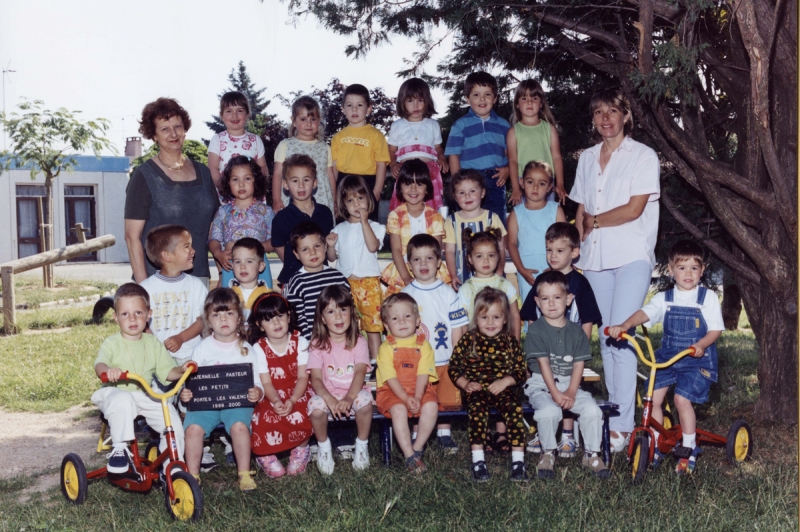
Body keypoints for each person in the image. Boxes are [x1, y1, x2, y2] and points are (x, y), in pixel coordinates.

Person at [570, 88, 661, 452]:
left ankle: (623, 425)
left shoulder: (643, 155)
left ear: (625, 116)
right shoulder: (587, 157)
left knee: (622, 338)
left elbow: (634, 209)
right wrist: (578, 243)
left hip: (631, 256)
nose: (605, 118)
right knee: (606, 340)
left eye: (612, 111)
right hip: (594, 259)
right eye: (598, 112)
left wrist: (595, 220)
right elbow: (580, 210)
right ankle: (615, 413)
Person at [608, 240, 723, 475]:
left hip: (695, 359)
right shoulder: (665, 298)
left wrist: (700, 345)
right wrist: (625, 325)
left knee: (681, 400)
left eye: (694, 268)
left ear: (702, 271)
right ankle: (658, 442)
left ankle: (689, 447)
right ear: (671, 271)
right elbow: (646, 312)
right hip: (669, 357)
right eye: (682, 268)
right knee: (654, 398)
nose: (688, 273)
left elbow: (715, 330)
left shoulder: (707, 297)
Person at [520, 222, 602, 457]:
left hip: (570, 353)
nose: (552, 256)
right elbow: (530, 317)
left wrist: (582, 353)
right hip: (544, 351)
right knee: (543, 393)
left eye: (559, 251)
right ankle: (543, 433)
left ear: (574, 252)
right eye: (549, 250)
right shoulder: (542, 282)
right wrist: (531, 351)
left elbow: (587, 319)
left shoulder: (581, 283)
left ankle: (567, 435)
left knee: (569, 390)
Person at [91, 283, 191, 474]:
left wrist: (181, 369)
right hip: (114, 394)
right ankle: (119, 448)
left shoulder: (153, 343)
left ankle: (173, 463)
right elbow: (99, 364)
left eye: (138, 312)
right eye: (125, 314)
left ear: (149, 314)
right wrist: (108, 370)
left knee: (169, 414)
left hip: (143, 394)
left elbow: (167, 372)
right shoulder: (112, 343)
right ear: (115, 317)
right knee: (123, 399)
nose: (132, 319)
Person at [524, 271, 611, 480]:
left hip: (571, 383)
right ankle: (548, 452)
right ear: (537, 301)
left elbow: (579, 364)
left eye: (557, 297)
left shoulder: (577, 332)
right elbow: (543, 364)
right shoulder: (535, 330)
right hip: (541, 384)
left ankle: (591, 454)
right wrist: (554, 392)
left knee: (591, 409)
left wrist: (572, 390)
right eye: (545, 299)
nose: (551, 304)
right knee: (548, 411)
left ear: (569, 299)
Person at [125, 98, 219, 285]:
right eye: (165, 129)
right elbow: (131, 237)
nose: (173, 133)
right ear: (154, 136)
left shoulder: (204, 172)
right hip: (157, 280)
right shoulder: (144, 176)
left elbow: (213, 230)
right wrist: (145, 287)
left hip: (198, 277)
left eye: (178, 126)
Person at [179, 288, 264, 491]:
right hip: (206, 405)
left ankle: (244, 473)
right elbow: (190, 379)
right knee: (192, 430)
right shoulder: (202, 348)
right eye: (216, 315)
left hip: (236, 403)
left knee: (240, 428)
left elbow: (258, 380)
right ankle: (192, 476)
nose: (223, 319)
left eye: (229, 313)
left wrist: (257, 392)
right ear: (208, 320)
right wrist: (186, 393)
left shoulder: (247, 349)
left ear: (239, 317)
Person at [448, 288, 528, 482]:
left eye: (496, 317)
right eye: (484, 317)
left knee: (514, 408)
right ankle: (478, 460)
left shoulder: (510, 341)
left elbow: (520, 370)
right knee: (477, 411)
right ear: (476, 319)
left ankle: (518, 461)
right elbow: (454, 368)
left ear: (505, 319)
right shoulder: (469, 339)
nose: (490, 323)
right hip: (477, 390)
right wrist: (465, 384)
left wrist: (506, 381)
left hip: (503, 389)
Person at [401, 234, 468, 453]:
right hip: (416, 362)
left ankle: (444, 434)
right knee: (418, 396)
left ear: (438, 262)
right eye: (417, 259)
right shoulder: (406, 295)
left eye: (429, 258)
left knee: (446, 398)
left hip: (444, 358)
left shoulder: (448, 293)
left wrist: (457, 355)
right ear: (409, 264)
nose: (423, 264)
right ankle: (416, 433)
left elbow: (458, 325)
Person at [307, 285, 374, 474]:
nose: (338, 316)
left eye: (343, 309)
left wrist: (348, 398)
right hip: (328, 395)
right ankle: (323, 446)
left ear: (351, 312)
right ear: (322, 318)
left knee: (366, 402)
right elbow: (317, 380)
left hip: (351, 394)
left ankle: (361, 445)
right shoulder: (317, 345)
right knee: (315, 407)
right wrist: (330, 400)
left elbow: (360, 373)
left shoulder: (358, 341)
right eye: (331, 311)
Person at [247, 293, 314, 477]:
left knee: (303, 412)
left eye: (280, 316)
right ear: (260, 325)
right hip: (271, 392)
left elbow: (302, 377)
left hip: (297, 390)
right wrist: (276, 400)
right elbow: (266, 381)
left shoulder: (300, 341)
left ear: (289, 316)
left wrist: (292, 400)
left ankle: (301, 450)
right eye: (268, 319)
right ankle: (265, 455)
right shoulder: (259, 348)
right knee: (263, 416)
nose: (276, 323)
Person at [375, 293, 439, 475]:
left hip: (420, 388)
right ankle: (409, 454)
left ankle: (416, 449)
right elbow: (390, 377)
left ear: (417, 321)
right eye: (395, 318)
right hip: (392, 390)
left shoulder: (423, 345)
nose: (402, 321)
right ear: (387, 326)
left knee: (431, 406)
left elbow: (423, 374)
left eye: (407, 316)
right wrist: (405, 398)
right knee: (399, 410)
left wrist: (418, 397)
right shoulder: (386, 347)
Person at [327, 175, 386, 362]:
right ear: (344, 205)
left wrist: (365, 222)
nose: (356, 204)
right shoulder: (339, 229)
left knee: (372, 325)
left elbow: (372, 247)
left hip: (368, 283)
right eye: (350, 200)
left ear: (369, 199)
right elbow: (331, 258)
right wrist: (330, 246)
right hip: (345, 283)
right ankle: (352, 361)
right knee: (349, 323)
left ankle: (376, 362)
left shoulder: (376, 227)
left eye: (360, 198)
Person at [444, 72, 512, 223]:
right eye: (476, 95)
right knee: (469, 219)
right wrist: (457, 183)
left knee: (496, 220)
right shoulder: (460, 125)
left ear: (495, 98)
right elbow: (454, 155)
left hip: (496, 180)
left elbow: (511, 154)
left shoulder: (504, 125)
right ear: (467, 98)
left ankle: (497, 246)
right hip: (469, 181)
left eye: (487, 94)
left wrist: (508, 170)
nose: (482, 99)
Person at [139, 224, 207, 366]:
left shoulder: (196, 286)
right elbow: (142, 324)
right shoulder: (145, 288)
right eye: (187, 246)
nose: (193, 251)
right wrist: (157, 348)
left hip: (191, 355)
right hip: (157, 358)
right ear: (167, 256)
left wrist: (181, 338)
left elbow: (202, 320)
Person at [381, 159, 450, 295]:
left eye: (419, 184)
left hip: (429, 270)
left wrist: (429, 277)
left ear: (427, 188)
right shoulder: (395, 216)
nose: (413, 189)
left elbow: (436, 250)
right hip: (403, 271)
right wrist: (406, 278)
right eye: (408, 184)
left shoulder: (435, 216)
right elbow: (396, 249)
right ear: (399, 187)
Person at [208, 155, 275, 290]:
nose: (241, 184)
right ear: (228, 183)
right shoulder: (223, 212)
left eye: (247, 178)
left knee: (260, 304)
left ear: (256, 181)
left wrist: (259, 247)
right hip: (231, 267)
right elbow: (213, 239)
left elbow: (274, 241)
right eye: (235, 179)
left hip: (258, 266)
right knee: (231, 306)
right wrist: (218, 253)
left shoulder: (265, 211)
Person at [270, 154, 336, 286]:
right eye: (295, 180)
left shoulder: (325, 213)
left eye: (306, 180)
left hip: (321, 277)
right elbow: (278, 245)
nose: (301, 185)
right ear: (285, 184)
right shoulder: (282, 218)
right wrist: (294, 263)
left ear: (315, 183)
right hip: (293, 278)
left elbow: (327, 247)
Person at [506, 161, 566, 303]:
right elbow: (512, 244)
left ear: (550, 187)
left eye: (542, 183)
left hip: (553, 267)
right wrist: (521, 269)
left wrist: (557, 268)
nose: (535, 187)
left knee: (554, 305)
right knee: (531, 308)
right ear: (521, 182)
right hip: (527, 269)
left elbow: (565, 242)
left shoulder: (556, 210)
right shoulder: (516, 213)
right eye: (530, 181)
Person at [331, 84, 390, 221]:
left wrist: (376, 192)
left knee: (368, 226)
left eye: (360, 105)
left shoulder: (376, 135)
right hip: (343, 183)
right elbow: (334, 168)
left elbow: (381, 165)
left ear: (369, 109)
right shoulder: (337, 138)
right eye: (350, 105)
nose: (354, 109)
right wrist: (334, 196)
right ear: (343, 109)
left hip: (367, 183)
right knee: (344, 225)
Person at [283, 221, 351, 340]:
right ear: (296, 254)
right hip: (313, 341)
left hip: (340, 339)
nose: (312, 252)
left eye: (317, 246)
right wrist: (308, 342)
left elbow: (349, 308)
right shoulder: (297, 282)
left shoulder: (338, 277)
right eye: (305, 249)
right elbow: (297, 317)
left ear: (325, 246)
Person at [387, 78, 447, 211]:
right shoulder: (398, 125)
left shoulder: (433, 124)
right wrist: (393, 164)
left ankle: (430, 229)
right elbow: (391, 150)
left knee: (429, 205)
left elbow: (438, 148)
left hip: (428, 172)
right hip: (406, 172)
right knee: (406, 204)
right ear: (402, 102)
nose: (416, 105)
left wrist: (442, 158)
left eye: (420, 100)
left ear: (427, 102)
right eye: (410, 101)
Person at [272, 96, 337, 214]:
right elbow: (277, 174)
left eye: (313, 119)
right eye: (303, 119)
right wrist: (276, 199)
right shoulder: (285, 145)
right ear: (294, 121)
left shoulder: (325, 148)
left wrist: (335, 200)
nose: (309, 123)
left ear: (319, 120)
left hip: (322, 201)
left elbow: (330, 176)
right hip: (293, 200)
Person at [444, 170, 507, 289]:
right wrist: (453, 275)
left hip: (491, 279)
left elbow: (500, 249)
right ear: (455, 197)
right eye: (461, 192)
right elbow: (450, 252)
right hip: (463, 279)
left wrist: (499, 273)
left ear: (482, 193)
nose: (467, 196)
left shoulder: (492, 218)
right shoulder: (451, 221)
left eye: (472, 191)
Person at [506, 80, 566, 204]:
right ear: (517, 104)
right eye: (524, 98)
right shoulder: (513, 131)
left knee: (548, 216)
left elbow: (556, 157)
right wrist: (516, 188)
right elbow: (513, 161)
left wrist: (560, 183)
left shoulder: (549, 129)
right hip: (524, 183)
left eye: (534, 98)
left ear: (541, 104)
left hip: (546, 181)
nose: (529, 102)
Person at [457, 228, 520, 340]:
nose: (486, 261)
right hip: (476, 346)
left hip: (502, 345)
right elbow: (462, 323)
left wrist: (516, 342)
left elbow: (515, 316)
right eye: (479, 256)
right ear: (470, 259)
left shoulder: (505, 285)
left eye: (491, 255)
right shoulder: (465, 289)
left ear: (498, 256)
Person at [207, 91, 270, 190]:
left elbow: (263, 167)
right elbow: (213, 168)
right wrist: (225, 189)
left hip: (252, 196)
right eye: (229, 111)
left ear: (247, 114)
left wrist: (257, 187)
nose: (234, 115)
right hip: (227, 197)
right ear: (221, 115)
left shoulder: (255, 140)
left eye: (240, 110)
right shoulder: (217, 140)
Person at [229, 238, 272, 323]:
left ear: (261, 266)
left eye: (249, 261)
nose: (242, 266)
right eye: (238, 262)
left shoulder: (269, 295)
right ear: (232, 266)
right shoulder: (228, 295)